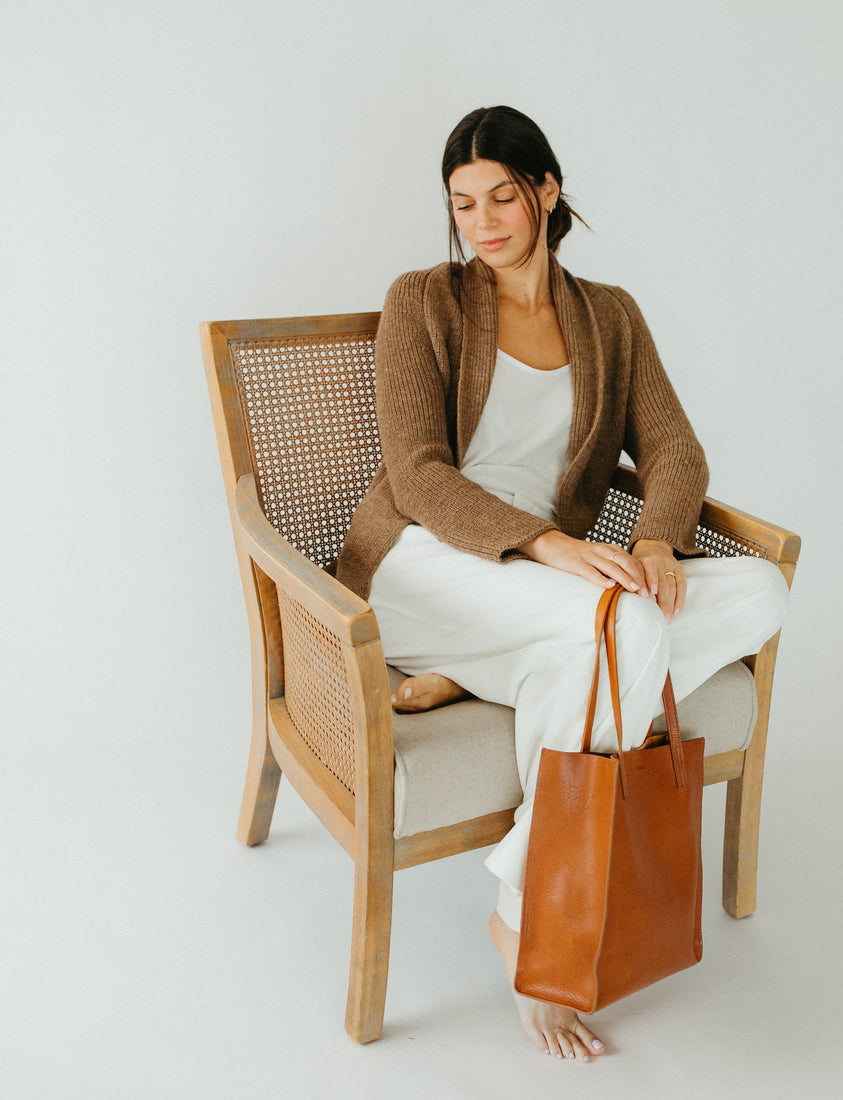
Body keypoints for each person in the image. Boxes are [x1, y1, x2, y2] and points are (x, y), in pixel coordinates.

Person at [335, 105, 789, 1063]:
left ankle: (484, 690)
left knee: (757, 593)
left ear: (546, 190)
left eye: (503, 194)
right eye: (463, 203)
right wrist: (543, 544)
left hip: (556, 589)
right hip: (429, 557)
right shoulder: (423, 299)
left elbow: (673, 449)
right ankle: (524, 917)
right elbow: (417, 474)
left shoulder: (609, 315)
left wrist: (661, 544)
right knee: (616, 633)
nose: (484, 221)